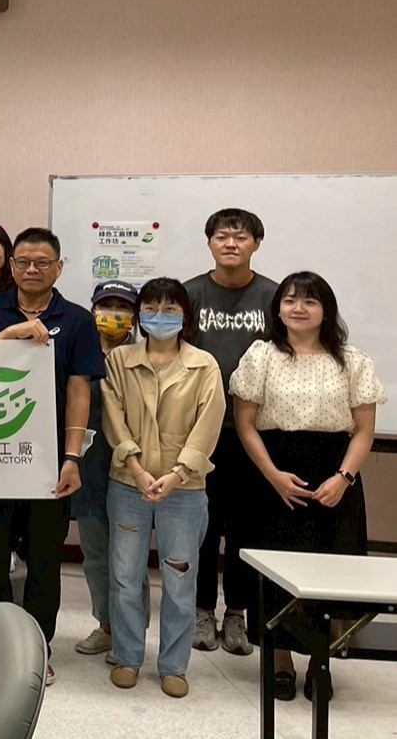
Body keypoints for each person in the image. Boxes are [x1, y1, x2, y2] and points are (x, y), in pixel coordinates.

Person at [230, 272, 386, 702]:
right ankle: (280, 661)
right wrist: (272, 475)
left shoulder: (352, 361)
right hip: (274, 474)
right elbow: (245, 424)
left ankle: (322, 661)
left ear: (326, 311)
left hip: (335, 474)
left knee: (331, 572)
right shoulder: (261, 355)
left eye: (310, 301)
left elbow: (364, 431)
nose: (299, 308)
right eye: (290, 300)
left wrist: (344, 478)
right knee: (276, 570)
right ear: (278, 308)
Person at [0, 226, 102, 685]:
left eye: (42, 263)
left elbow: (79, 392)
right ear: (11, 265)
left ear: (58, 268)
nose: (32, 270)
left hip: (47, 461)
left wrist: (72, 457)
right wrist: (13, 332)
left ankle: (37, 651)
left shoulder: (77, 320)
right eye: (23, 262)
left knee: (43, 562)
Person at [101, 278, 225, 699]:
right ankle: (127, 656)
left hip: (184, 490)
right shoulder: (120, 360)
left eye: (170, 309)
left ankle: (173, 665)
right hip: (128, 484)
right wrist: (137, 469)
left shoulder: (204, 365)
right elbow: (113, 417)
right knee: (124, 575)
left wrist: (177, 474)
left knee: (179, 578)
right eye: (151, 308)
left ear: (185, 317)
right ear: (139, 316)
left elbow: (208, 425)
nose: (160, 316)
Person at [183, 207, 279, 655]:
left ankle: (236, 613)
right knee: (202, 524)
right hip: (200, 430)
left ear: (256, 243)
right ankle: (202, 610)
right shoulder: (190, 294)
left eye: (241, 237)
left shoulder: (275, 297)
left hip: (256, 434)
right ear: (209, 242)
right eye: (222, 236)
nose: (231, 244)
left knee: (246, 527)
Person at [72, 280, 142, 659]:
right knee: (96, 554)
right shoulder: (81, 351)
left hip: (134, 471)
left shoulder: (146, 356)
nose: (113, 313)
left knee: (129, 559)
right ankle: (107, 626)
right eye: (106, 305)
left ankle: (131, 635)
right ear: (93, 310)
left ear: (135, 315)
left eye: (122, 306)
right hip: (90, 469)